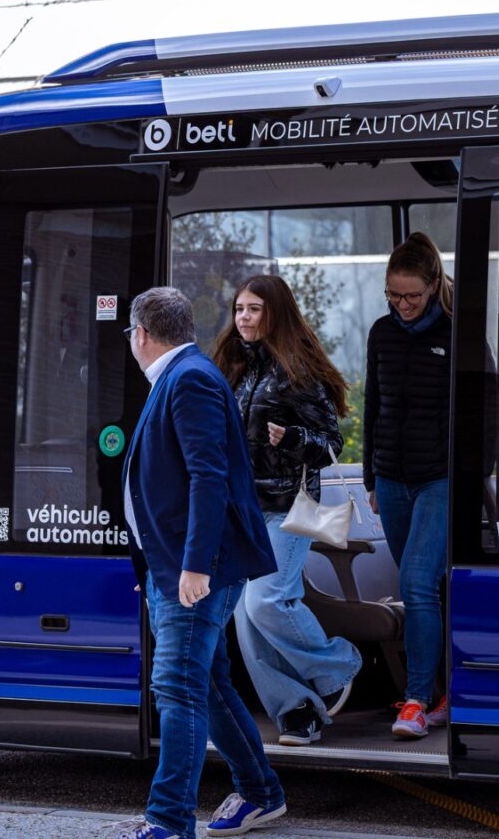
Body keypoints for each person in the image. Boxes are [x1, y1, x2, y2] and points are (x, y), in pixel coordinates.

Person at [117, 286, 286, 839]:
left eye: (131, 333)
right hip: (175, 567)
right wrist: (158, 567)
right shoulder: (181, 374)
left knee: (177, 686)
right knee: (207, 686)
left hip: (195, 570)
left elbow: (208, 478)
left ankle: (167, 822)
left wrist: (195, 566)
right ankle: (261, 793)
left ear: (142, 334)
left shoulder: (189, 379)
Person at [212, 275, 363, 747]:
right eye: (240, 309)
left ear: (275, 313)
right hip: (244, 511)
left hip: (286, 508)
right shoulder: (234, 367)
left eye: (254, 309)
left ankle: (338, 664)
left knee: (266, 601)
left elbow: (331, 444)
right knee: (246, 617)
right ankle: (297, 710)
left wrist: (295, 438)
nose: (244, 317)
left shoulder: (298, 372)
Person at [364, 232, 454, 739]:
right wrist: (371, 478)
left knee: (418, 583)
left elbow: (481, 411)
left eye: (412, 296)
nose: (402, 305)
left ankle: (416, 701)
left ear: (433, 285)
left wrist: (471, 478)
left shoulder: (457, 334)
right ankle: (443, 693)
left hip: (439, 479)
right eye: (393, 295)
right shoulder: (381, 333)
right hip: (391, 480)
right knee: (426, 588)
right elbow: (374, 404)